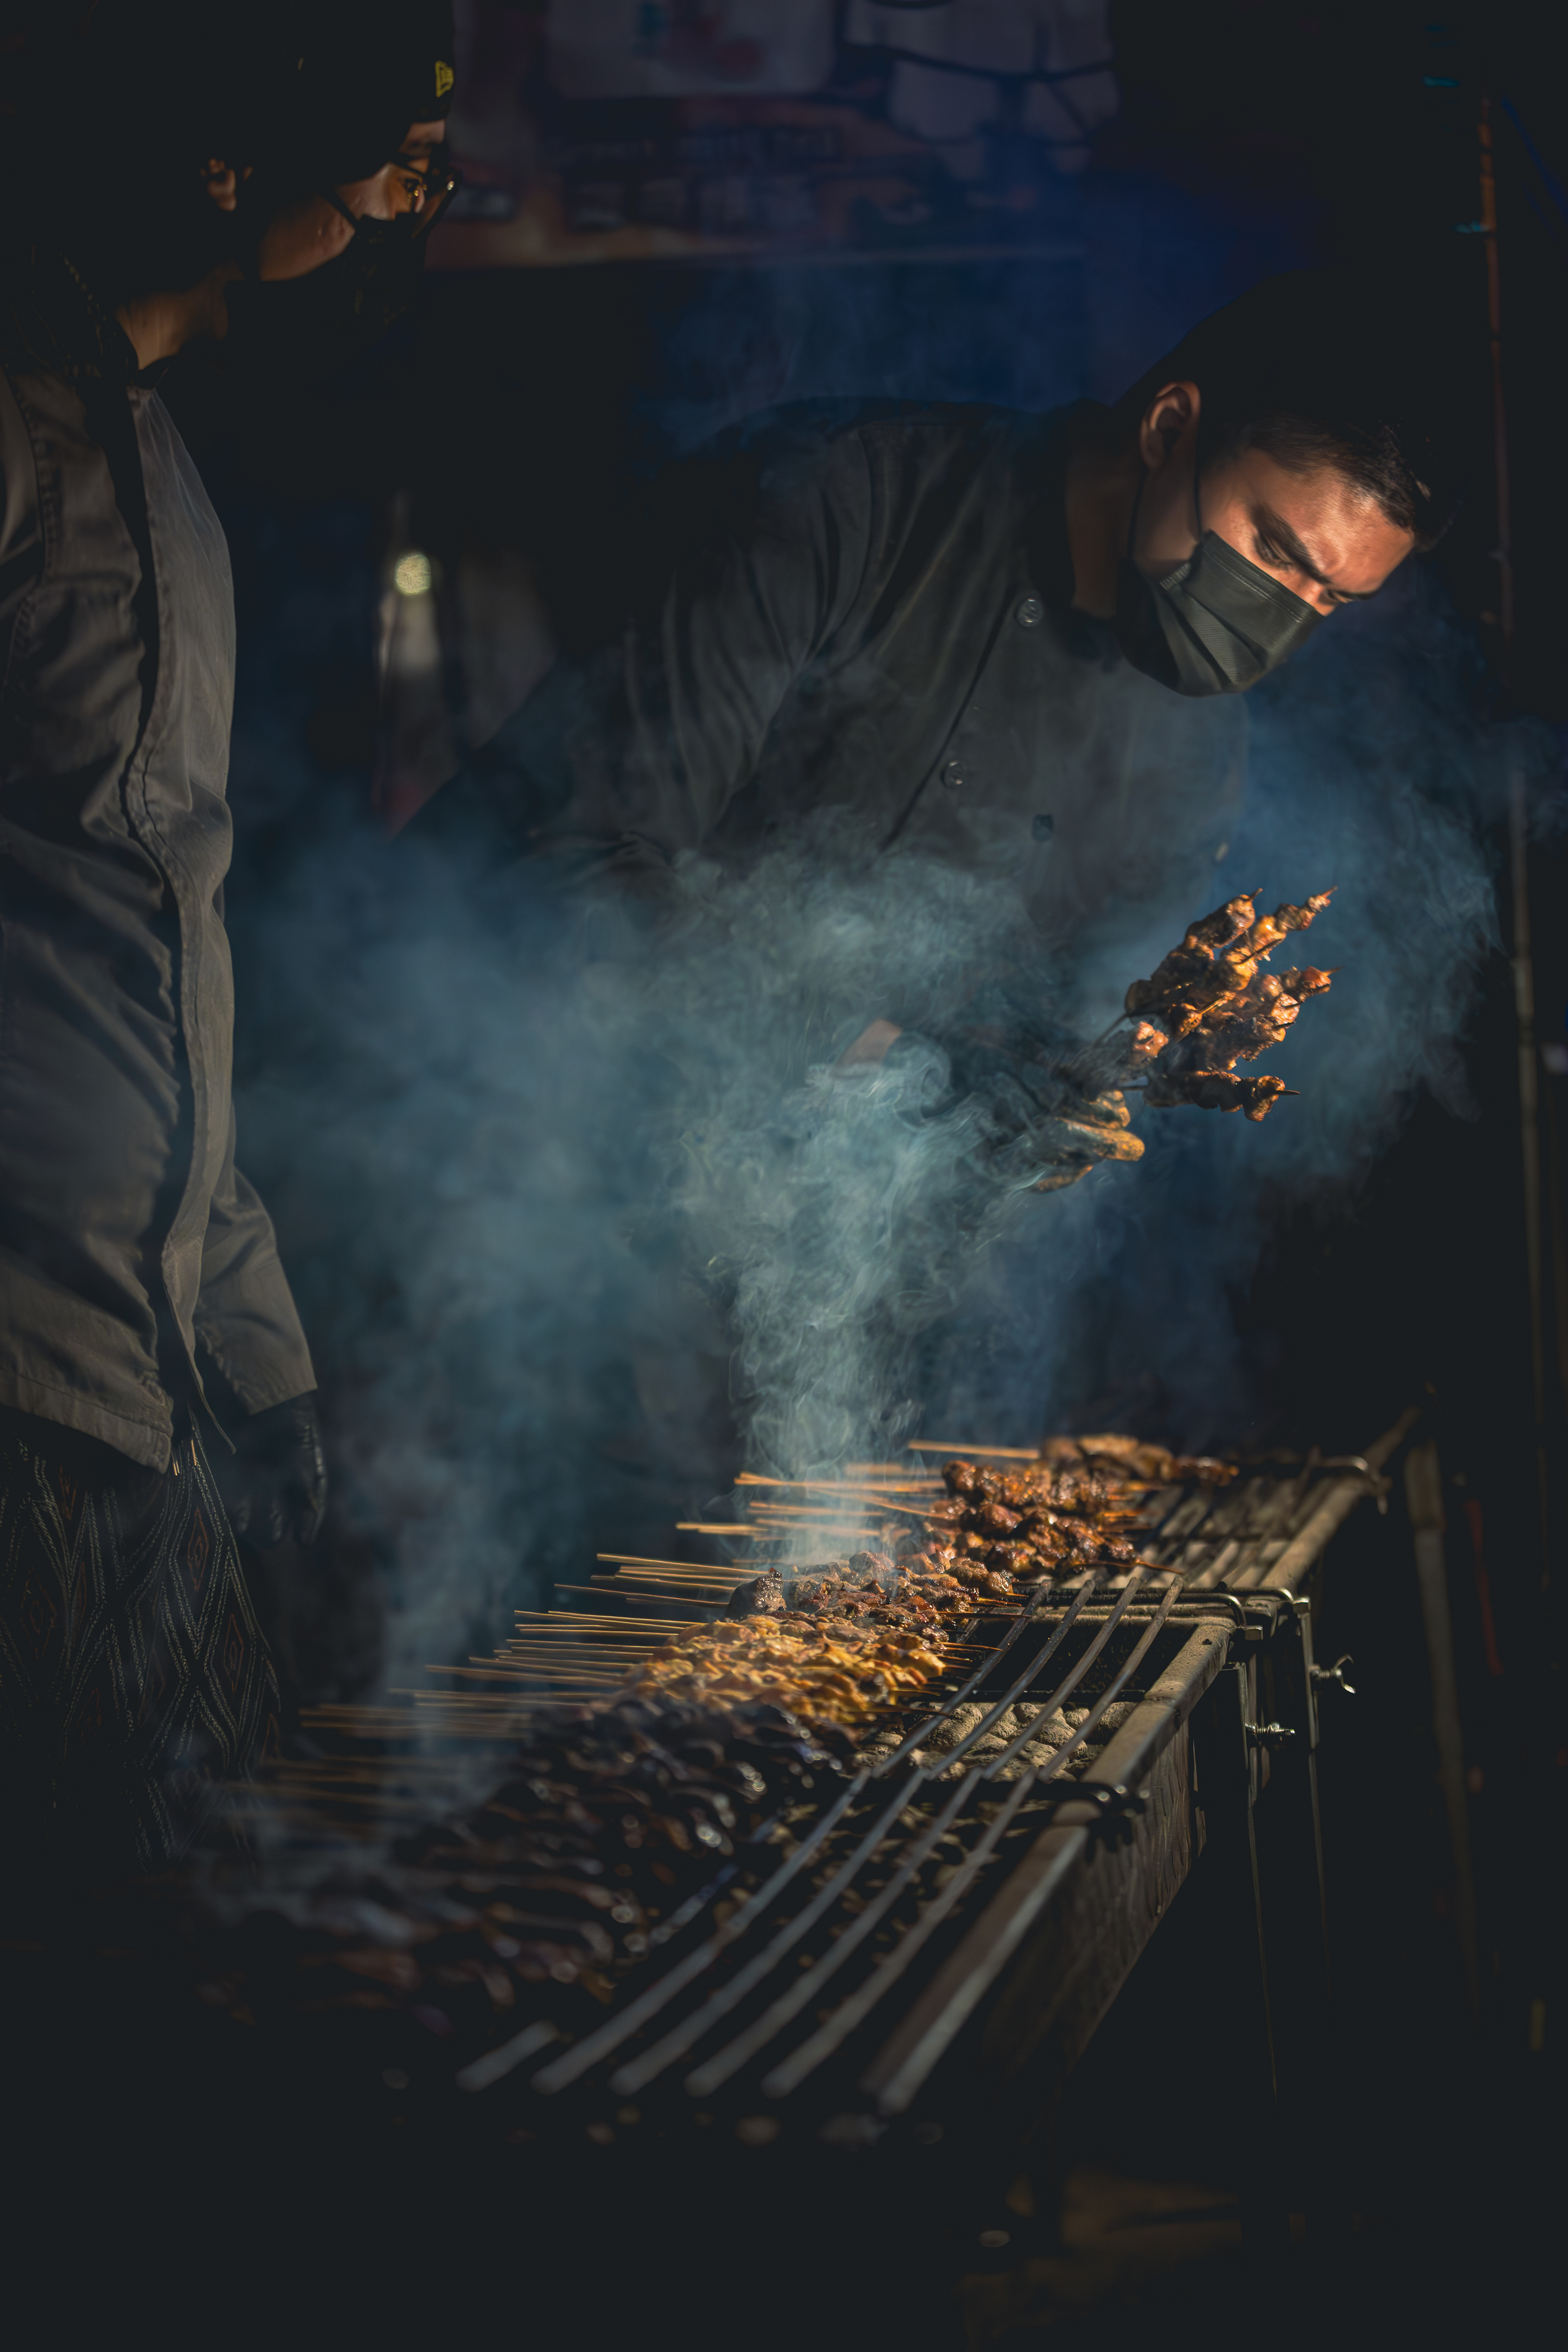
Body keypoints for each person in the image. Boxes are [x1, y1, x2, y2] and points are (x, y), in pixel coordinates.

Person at [414, 270, 1460, 1189]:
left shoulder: (1198, 742)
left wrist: (1051, 1112)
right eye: (1277, 551)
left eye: (1331, 601)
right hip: (480, 1154)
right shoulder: (838, 501)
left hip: (769, 1249)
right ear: (1170, 428)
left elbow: (1056, 1039)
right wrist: (902, 1062)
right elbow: (565, 868)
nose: (1283, 619)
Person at [0, 0, 457, 1875]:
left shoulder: (157, 460)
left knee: (193, 1910)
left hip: (140, 1368)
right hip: (23, 1365)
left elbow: (160, 936)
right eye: (380, 176)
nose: (403, 214)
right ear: (222, 173)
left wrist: (258, 1351)